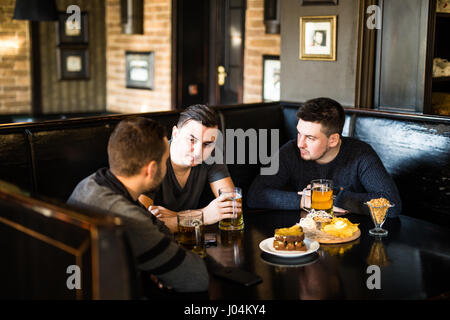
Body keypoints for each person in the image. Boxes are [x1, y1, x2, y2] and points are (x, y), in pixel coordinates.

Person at [67, 117, 209, 293]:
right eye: (165, 161)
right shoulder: (125, 216)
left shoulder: (90, 184)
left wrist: (158, 265)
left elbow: (161, 231)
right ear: (151, 169)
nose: (167, 166)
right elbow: (198, 277)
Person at [247, 97, 402, 217]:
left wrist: (334, 198)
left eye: (310, 138)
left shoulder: (361, 154)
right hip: (305, 238)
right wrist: (307, 201)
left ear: (333, 140)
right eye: (299, 133)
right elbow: (255, 195)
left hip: (350, 238)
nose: (300, 143)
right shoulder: (291, 151)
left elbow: (392, 205)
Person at [139, 104, 239, 232]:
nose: (198, 152)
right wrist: (203, 216)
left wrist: (177, 217)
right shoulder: (152, 160)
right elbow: (141, 224)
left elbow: (231, 207)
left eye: (207, 144)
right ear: (175, 133)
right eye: (192, 140)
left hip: (194, 240)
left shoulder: (212, 156)